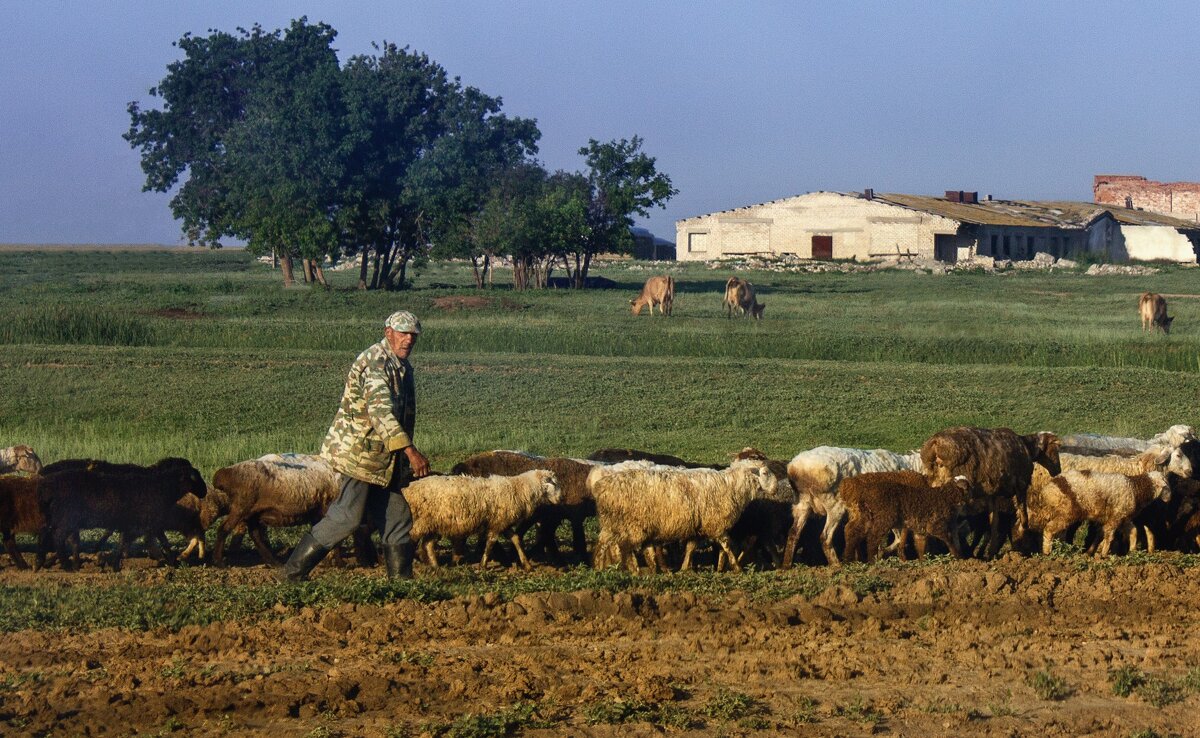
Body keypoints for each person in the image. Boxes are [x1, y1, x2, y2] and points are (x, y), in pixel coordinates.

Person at [277, 310, 431, 582]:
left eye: (413, 335)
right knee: (346, 517)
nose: (408, 340)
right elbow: (380, 413)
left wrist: (401, 456)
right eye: (403, 333)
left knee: (397, 518)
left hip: (383, 460)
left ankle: (402, 585)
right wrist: (411, 451)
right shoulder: (376, 363)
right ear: (388, 333)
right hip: (359, 455)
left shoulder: (401, 367)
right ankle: (292, 574)